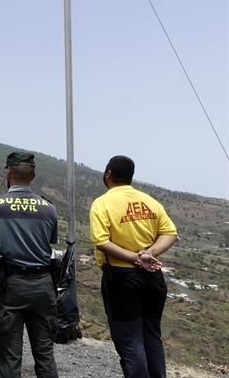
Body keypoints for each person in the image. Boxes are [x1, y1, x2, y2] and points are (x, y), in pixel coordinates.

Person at [89, 155, 177, 378]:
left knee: (130, 341)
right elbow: (170, 233)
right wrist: (149, 254)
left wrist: (134, 258)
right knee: (152, 337)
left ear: (108, 174)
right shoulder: (149, 201)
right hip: (153, 277)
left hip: (122, 279)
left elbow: (102, 241)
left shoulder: (103, 203)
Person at [0, 151, 59, 378]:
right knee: (45, 354)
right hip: (44, 286)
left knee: (9, 356)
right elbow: (49, 241)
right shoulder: (48, 208)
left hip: (10, 287)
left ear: (9, 173)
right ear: (33, 176)